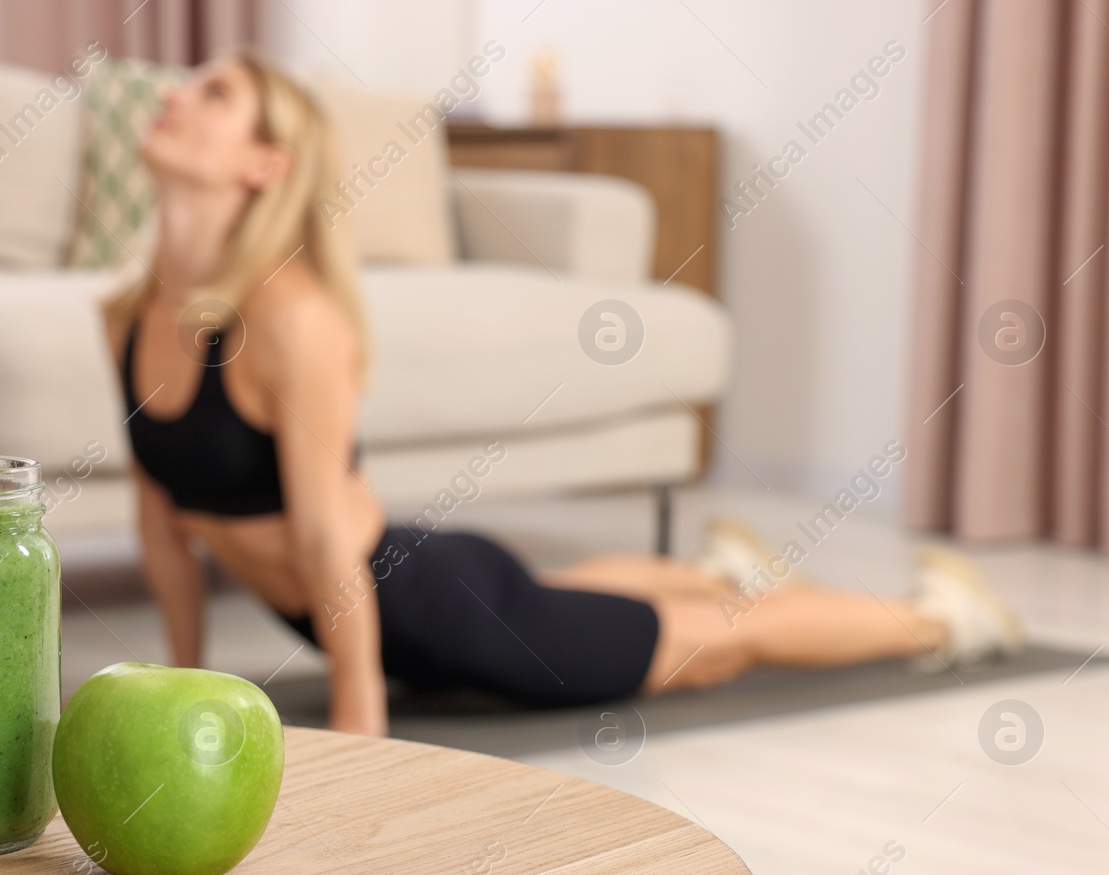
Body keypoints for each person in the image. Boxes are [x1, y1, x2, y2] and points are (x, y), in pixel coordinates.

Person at [101, 54, 1022, 736]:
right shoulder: (131, 314)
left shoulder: (291, 318)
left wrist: (358, 709)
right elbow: (162, 528)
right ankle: (721, 570)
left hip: (444, 615)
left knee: (717, 649)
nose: (174, 95)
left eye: (214, 94)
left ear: (265, 165)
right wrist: (184, 688)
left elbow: (320, 535)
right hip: (415, 584)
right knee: (554, 592)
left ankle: (941, 615)